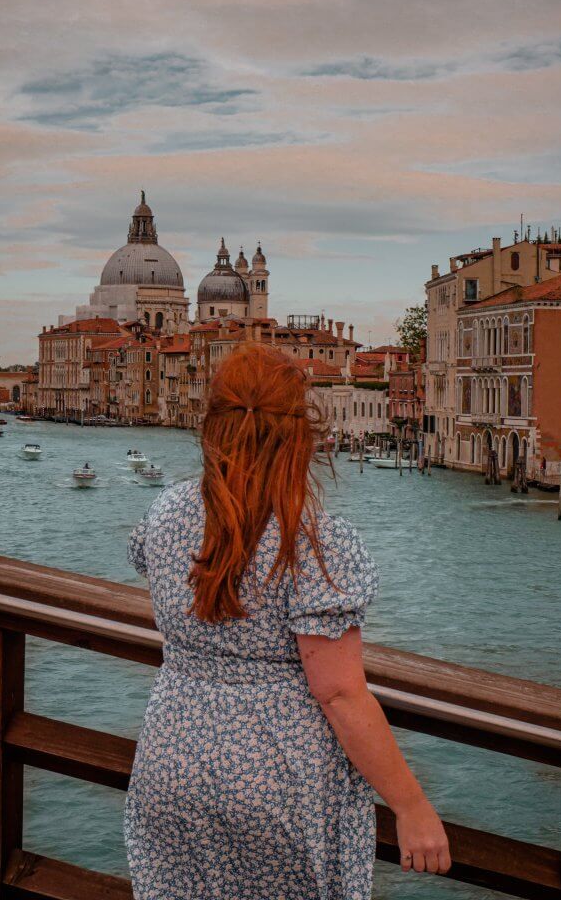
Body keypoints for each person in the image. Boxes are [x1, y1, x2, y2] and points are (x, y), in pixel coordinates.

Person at [125, 344, 450, 899]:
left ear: (213, 426)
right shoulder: (317, 543)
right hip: (275, 776)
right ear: (300, 434)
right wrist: (411, 806)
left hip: (172, 755)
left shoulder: (166, 512)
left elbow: (155, 570)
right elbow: (341, 694)